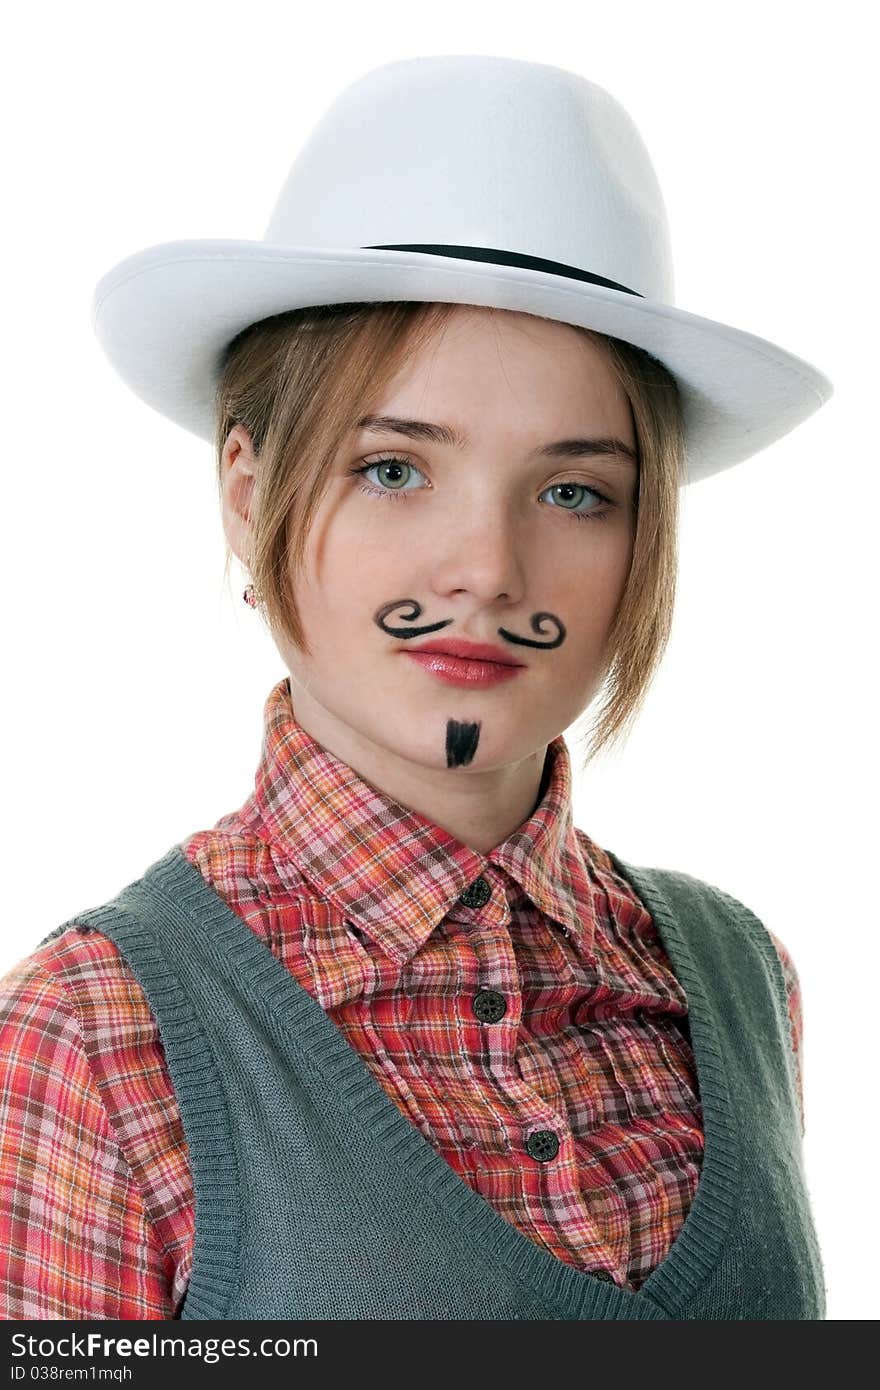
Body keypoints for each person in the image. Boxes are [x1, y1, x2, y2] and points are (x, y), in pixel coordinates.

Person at [0, 55, 830, 1321]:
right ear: (246, 489)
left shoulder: (735, 980)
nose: (487, 570)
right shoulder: (100, 1038)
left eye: (573, 492)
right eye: (394, 469)